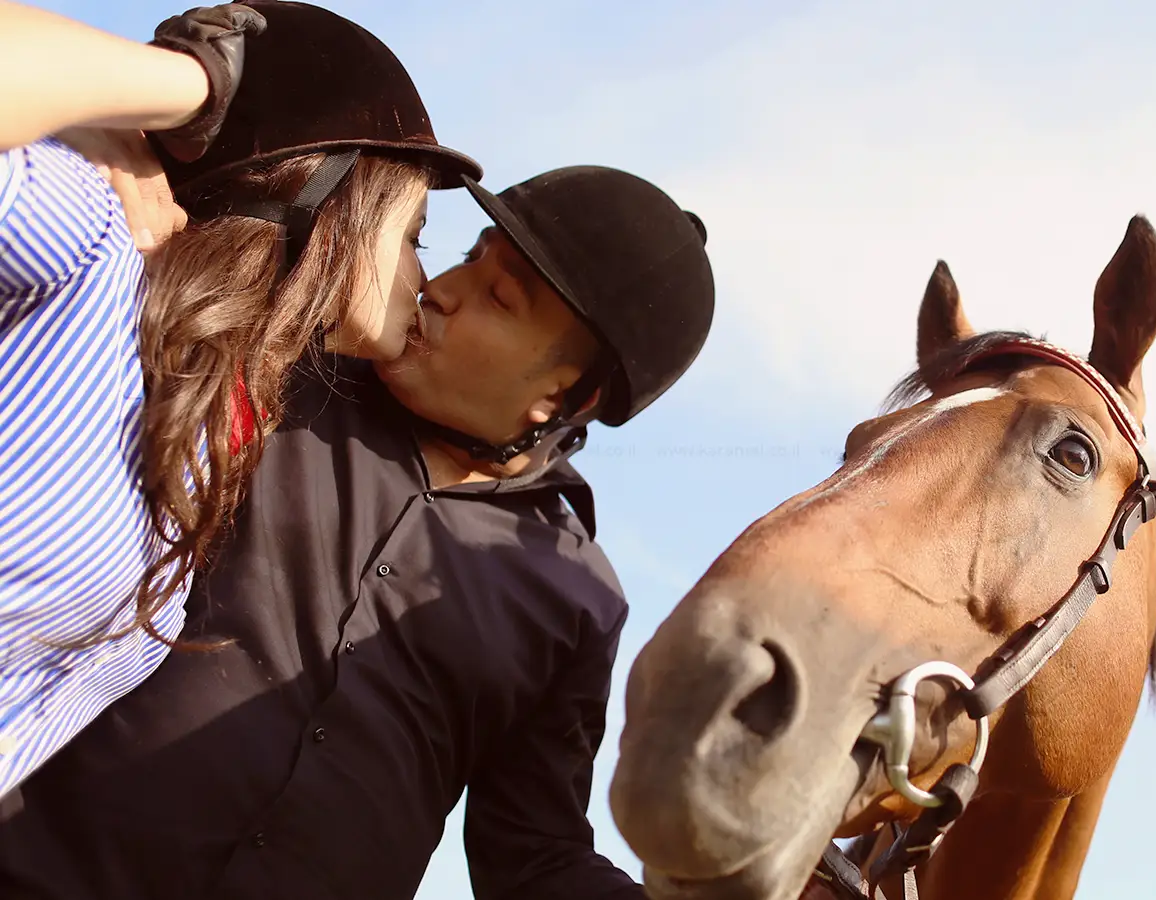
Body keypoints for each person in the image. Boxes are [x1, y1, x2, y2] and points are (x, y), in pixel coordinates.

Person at [0, 161, 716, 899]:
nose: (441, 291)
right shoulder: (280, 366)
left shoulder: (580, 599)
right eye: (470, 256)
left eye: (498, 298)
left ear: (568, 394)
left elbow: (534, 858)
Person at [0, 0, 480, 798]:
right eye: (415, 234)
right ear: (329, 194)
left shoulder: (203, 436)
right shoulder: (89, 243)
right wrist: (188, 86)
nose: (424, 280)